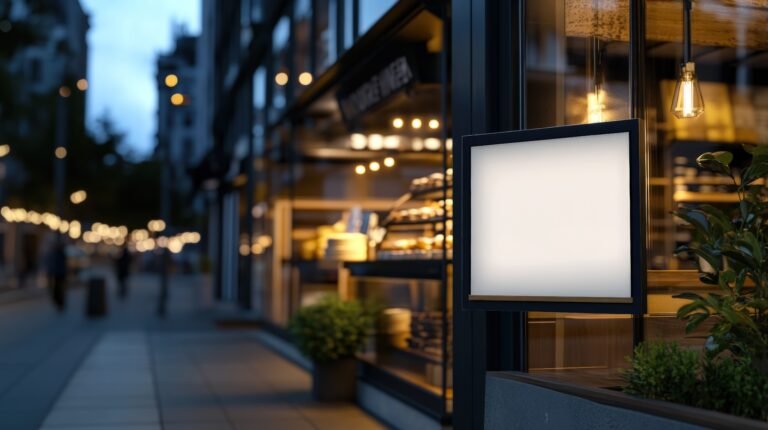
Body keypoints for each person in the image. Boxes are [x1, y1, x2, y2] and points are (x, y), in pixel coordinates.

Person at [46, 242, 67, 311]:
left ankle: (59, 301)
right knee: (59, 288)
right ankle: (59, 302)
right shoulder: (61, 255)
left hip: (58, 273)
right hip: (59, 274)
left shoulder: (57, 255)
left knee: (58, 288)